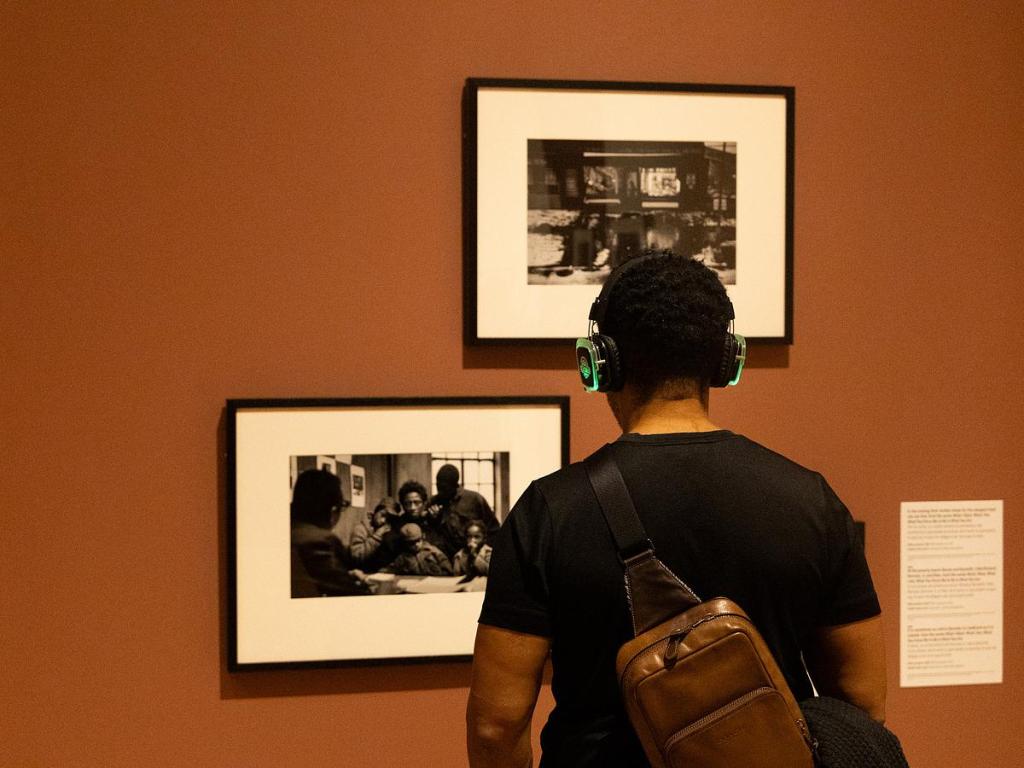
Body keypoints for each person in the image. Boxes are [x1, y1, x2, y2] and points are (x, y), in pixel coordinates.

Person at [467, 250, 886, 767]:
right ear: (727, 359)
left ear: (601, 362)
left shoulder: (549, 512)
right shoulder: (812, 500)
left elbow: (496, 725)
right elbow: (863, 703)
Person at [290, 469, 370, 598]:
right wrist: (363, 584)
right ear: (333, 511)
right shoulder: (321, 541)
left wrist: (343, 575)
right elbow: (355, 597)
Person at [424, 464, 499, 557]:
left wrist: (483, 553)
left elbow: (494, 530)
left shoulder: (474, 499)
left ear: (455, 485)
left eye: (444, 488)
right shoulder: (433, 502)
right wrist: (433, 519)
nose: (440, 492)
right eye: (438, 487)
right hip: (445, 557)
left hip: (472, 555)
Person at [348, 496, 401, 572]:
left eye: (389, 518)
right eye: (382, 515)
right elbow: (356, 556)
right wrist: (376, 537)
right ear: (375, 512)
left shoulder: (389, 529)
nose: (383, 521)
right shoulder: (360, 529)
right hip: (363, 573)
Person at [382, 522, 453, 576]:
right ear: (406, 543)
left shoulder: (433, 552)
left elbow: (448, 569)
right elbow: (391, 569)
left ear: (423, 537)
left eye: (418, 540)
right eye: (411, 543)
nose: (416, 545)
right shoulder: (403, 557)